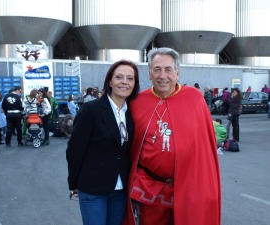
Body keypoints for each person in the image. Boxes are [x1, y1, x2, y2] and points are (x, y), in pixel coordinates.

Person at [123, 48, 221, 225]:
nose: (162, 75)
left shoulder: (194, 98)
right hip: (150, 186)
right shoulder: (137, 101)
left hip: (188, 186)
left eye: (168, 69)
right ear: (149, 74)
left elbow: (206, 145)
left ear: (177, 73)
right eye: (157, 69)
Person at [66, 60, 140, 225]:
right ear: (110, 81)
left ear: (134, 84)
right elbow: (75, 150)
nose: (124, 82)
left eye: (130, 78)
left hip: (120, 190)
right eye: (119, 77)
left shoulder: (131, 113)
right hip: (93, 189)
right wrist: (73, 183)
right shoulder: (91, 110)